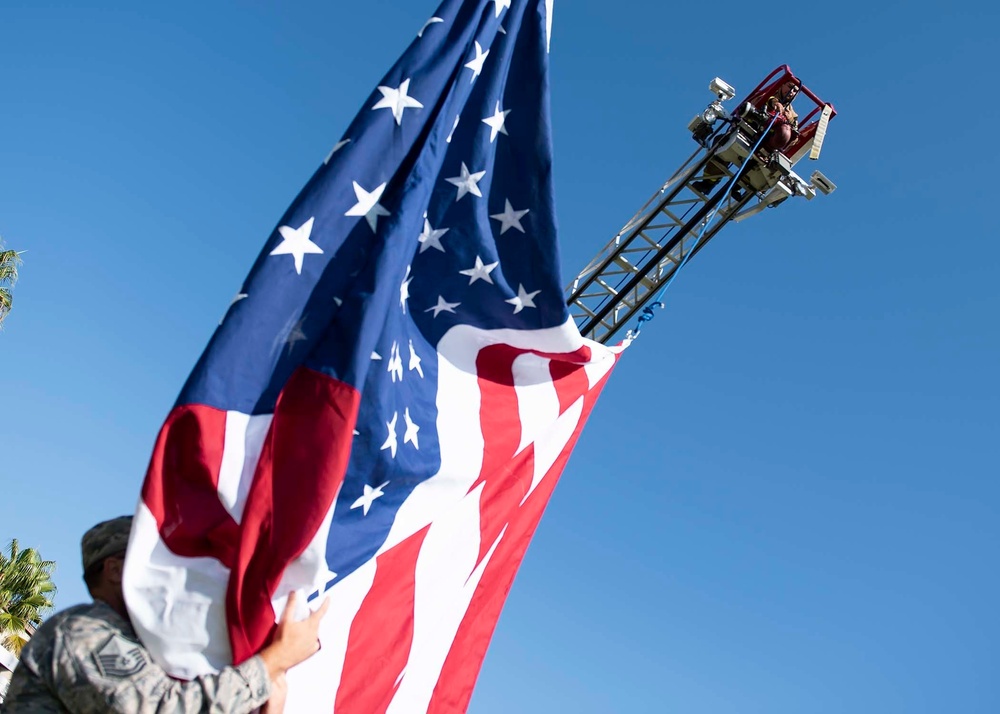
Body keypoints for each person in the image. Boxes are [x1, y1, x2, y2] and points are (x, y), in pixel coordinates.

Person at [4, 516, 328, 713]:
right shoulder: (82, 630)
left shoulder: (145, 647)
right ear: (115, 570)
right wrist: (272, 661)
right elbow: (161, 709)